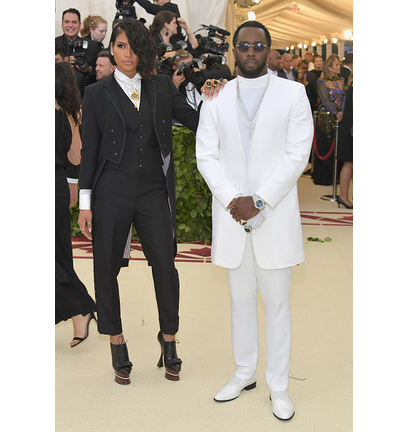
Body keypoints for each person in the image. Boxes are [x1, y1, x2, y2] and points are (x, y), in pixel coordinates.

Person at [196, 20, 313, 421]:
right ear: (233, 50)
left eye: (258, 46)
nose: (250, 52)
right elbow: (205, 156)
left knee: (278, 303)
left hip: (274, 216)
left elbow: (298, 155)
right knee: (240, 301)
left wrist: (259, 201)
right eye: (243, 45)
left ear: (269, 49)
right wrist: (235, 200)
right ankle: (244, 372)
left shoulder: (294, 93)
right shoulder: (216, 95)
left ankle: (278, 386)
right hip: (232, 217)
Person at [77, 18, 200, 385]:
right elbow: (89, 153)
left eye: (132, 46)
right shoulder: (96, 94)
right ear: (110, 50)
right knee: (106, 267)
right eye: (119, 46)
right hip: (110, 189)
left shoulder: (161, 86)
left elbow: (194, 121)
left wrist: (217, 98)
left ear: (142, 50)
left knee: (165, 263)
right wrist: (86, 202)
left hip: (151, 190)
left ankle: (169, 341)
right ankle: (117, 341)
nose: (126, 53)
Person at [55, 61, 97, 348]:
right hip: (55, 186)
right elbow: (76, 157)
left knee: (54, 256)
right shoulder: (69, 114)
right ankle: (79, 310)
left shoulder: (62, 114)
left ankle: (81, 306)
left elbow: (77, 158)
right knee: (57, 253)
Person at [312, 54, 346, 185]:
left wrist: (341, 111)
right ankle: (324, 176)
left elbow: (344, 98)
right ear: (330, 68)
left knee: (337, 144)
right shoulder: (321, 82)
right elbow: (324, 99)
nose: (339, 67)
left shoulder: (341, 80)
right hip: (326, 115)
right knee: (326, 143)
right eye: (336, 65)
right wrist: (334, 112)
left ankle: (336, 175)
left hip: (340, 116)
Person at [55, 8, 101, 97]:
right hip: (58, 94)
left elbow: (103, 71)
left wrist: (90, 69)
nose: (70, 25)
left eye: (74, 22)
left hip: (86, 94)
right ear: (62, 24)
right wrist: (61, 63)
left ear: (79, 25)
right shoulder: (54, 44)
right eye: (67, 22)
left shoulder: (93, 46)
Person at [337, 71, 353, 209]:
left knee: (350, 163)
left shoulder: (351, 85)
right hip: (351, 129)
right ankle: (343, 196)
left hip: (349, 127)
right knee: (349, 163)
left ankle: (345, 196)